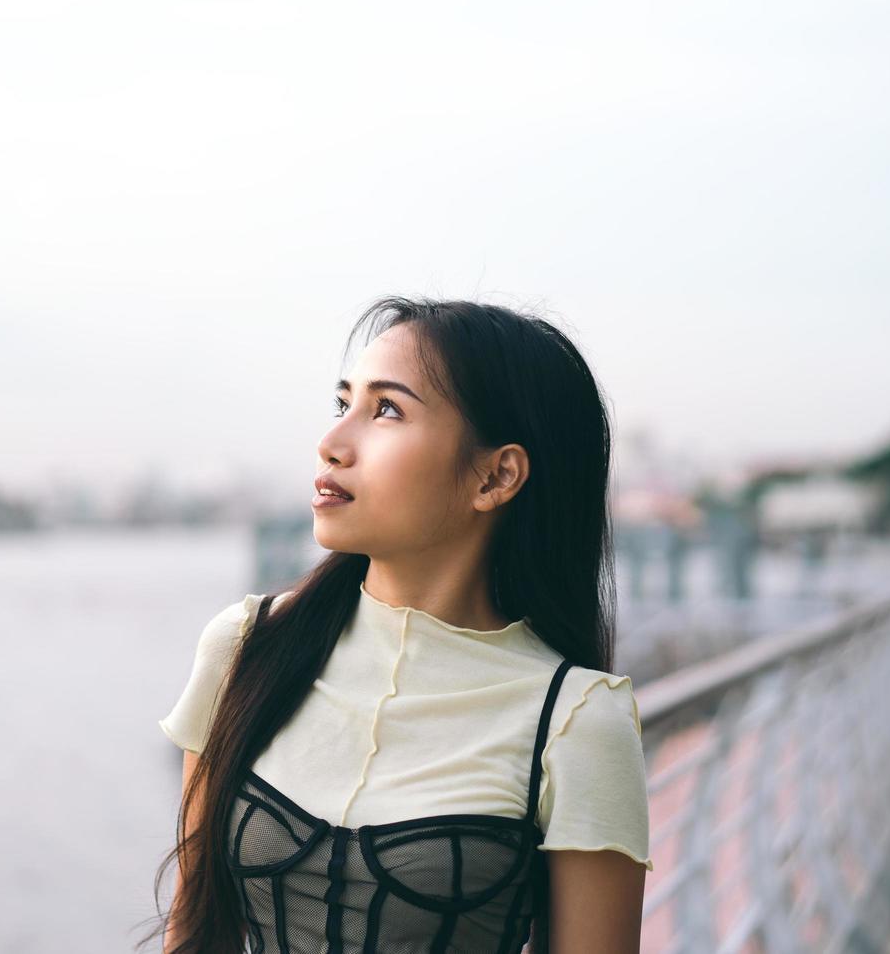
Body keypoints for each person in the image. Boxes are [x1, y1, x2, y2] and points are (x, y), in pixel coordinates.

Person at [144, 297, 651, 953]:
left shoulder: (576, 720)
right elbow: (192, 933)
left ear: (496, 476)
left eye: (386, 410)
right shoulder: (247, 646)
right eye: (343, 404)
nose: (331, 444)